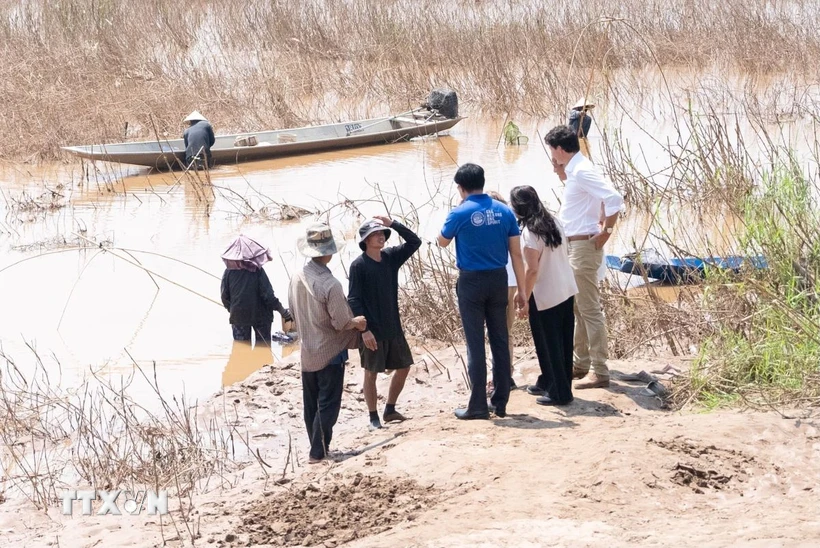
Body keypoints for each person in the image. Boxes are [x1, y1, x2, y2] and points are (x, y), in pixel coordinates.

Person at [438, 163, 527, 419]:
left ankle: (477, 404)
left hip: (472, 282)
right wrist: (522, 291)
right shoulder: (504, 212)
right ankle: (500, 402)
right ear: (482, 182)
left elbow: (442, 241)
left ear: (461, 188)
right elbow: (516, 254)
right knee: (500, 340)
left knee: (475, 343)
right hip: (499, 279)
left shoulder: (459, 213)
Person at [545, 125, 623, 389]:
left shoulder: (582, 169)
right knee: (578, 307)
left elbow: (614, 198)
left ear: (558, 148)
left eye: (552, 152)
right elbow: (599, 201)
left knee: (589, 309)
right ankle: (580, 364)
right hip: (574, 244)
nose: (552, 158)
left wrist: (606, 231)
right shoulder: (575, 170)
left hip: (583, 245)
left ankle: (600, 370)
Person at [288, 223, 368, 463]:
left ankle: (317, 448)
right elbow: (342, 322)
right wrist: (359, 322)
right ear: (329, 252)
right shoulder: (331, 284)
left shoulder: (296, 278)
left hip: (308, 351)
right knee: (328, 404)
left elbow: (292, 311)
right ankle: (318, 451)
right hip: (330, 351)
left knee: (311, 403)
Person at [348, 215, 422, 429]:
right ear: (366, 240)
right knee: (371, 373)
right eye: (375, 234)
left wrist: (393, 224)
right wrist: (364, 330)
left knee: (405, 367)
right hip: (372, 330)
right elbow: (353, 299)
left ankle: (390, 409)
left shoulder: (390, 257)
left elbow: (414, 242)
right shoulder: (358, 266)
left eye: (382, 233)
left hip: (393, 327)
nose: (381, 237)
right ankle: (373, 416)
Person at [510, 185, 578, 405]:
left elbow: (531, 269)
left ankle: (560, 393)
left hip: (545, 295)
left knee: (550, 344)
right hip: (566, 288)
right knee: (564, 340)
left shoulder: (530, 232)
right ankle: (550, 380)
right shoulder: (554, 221)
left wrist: (523, 296)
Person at [220, 235, 292, 346]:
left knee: (241, 352)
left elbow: (224, 297)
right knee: (264, 349)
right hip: (261, 317)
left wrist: (233, 309)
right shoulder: (257, 271)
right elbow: (268, 296)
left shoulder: (228, 272)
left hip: (239, 317)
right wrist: (283, 312)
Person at [486, 191, 518, 390]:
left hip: (504, 282)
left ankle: (504, 376)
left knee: (501, 332)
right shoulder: (510, 221)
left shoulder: (501, 224)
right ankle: (504, 374)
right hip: (506, 281)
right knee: (502, 331)